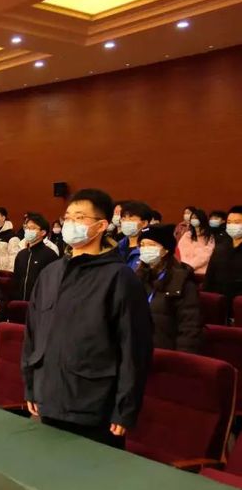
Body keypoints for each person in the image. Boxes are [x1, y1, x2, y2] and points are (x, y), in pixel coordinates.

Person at [22, 188, 153, 448]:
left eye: (80, 218)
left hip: (93, 402)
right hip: (48, 395)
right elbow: (33, 334)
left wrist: (124, 407)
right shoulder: (50, 274)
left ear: (101, 225)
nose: (71, 223)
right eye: (68, 217)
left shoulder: (119, 277)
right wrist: (30, 385)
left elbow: (134, 348)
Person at [136, 224, 202, 353]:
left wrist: (181, 357)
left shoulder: (182, 281)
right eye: (142, 245)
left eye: (151, 245)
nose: (145, 249)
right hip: (138, 348)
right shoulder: (138, 277)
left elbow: (190, 326)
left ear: (166, 250)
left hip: (165, 351)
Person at [204, 206, 242, 319]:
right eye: (229, 222)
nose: (232, 225)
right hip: (219, 301)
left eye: (237, 222)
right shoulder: (221, 246)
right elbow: (210, 274)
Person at [12, 213, 58, 301]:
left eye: (32, 228)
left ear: (43, 232)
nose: (28, 231)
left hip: (40, 302)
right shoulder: (21, 254)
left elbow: (52, 283)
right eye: (27, 228)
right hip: (20, 302)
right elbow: (16, 280)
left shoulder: (50, 255)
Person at [177, 208, 215, 275]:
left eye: (196, 218)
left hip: (202, 271)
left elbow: (206, 254)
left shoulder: (209, 236)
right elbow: (181, 250)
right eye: (192, 218)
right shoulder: (187, 235)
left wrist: (191, 266)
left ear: (202, 219)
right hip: (185, 270)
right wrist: (186, 266)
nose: (194, 220)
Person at [117, 201, 152, 270]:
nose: (126, 223)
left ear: (144, 223)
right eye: (123, 219)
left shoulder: (149, 250)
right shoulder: (117, 246)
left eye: (131, 219)